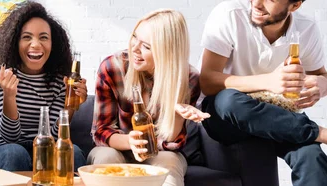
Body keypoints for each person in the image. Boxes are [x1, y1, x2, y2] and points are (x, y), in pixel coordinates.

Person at [199, 0, 327, 185]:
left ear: (295, 5)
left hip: (274, 114)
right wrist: (268, 81)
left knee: (311, 158)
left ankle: (310, 133)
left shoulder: (306, 28)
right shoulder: (230, 14)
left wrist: (322, 83)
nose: (257, 4)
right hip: (226, 116)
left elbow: (321, 74)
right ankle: (318, 132)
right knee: (229, 100)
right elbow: (208, 81)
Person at [89, 9, 208, 186]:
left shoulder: (188, 78)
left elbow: (172, 143)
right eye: (135, 37)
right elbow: (101, 131)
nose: (134, 49)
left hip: (159, 152)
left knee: (169, 162)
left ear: (167, 51)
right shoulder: (112, 67)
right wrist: (131, 142)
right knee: (106, 156)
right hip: (117, 147)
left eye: (146, 46)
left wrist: (176, 112)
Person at [0, 1, 88, 172]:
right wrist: (9, 96)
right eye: (26, 37)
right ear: (14, 41)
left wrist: (70, 105)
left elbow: (54, 135)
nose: (35, 44)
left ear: (53, 43)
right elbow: (9, 137)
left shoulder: (61, 78)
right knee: (15, 153)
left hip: (47, 143)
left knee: (73, 152)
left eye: (43, 37)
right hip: (7, 147)